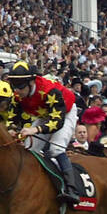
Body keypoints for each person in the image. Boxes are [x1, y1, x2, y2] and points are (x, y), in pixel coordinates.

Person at [6, 60, 82, 204]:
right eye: (14, 87)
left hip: (64, 113)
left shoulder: (49, 91)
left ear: (31, 82)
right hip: (44, 114)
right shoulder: (17, 94)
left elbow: (57, 122)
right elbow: (12, 115)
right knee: (30, 147)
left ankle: (72, 189)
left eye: (21, 87)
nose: (18, 91)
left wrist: (35, 129)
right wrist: (10, 129)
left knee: (56, 148)